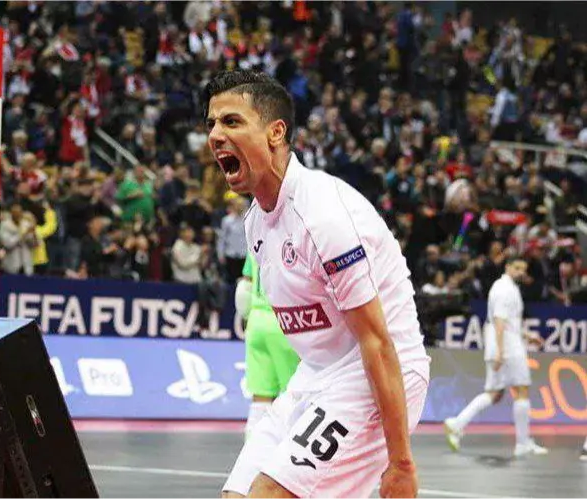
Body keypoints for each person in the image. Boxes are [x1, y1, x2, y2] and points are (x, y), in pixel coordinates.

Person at [205, 69, 429, 499]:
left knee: (271, 495)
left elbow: (377, 342)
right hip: (314, 375)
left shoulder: (323, 216)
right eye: (211, 123)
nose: (215, 135)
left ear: (275, 133)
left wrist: (401, 463)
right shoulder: (256, 222)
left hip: (375, 372)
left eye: (231, 121)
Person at [444, 257, 548, 457]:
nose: (521, 272)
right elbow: (499, 321)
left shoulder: (509, 288)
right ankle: (523, 443)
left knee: (495, 393)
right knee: (522, 388)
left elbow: (508, 322)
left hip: (504, 344)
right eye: (517, 267)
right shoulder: (503, 289)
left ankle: (456, 424)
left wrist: (527, 335)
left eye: (524, 269)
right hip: (507, 347)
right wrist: (501, 351)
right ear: (507, 267)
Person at [236, 254, 300, 438]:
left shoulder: (254, 242)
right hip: (285, 321)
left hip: (256, 322)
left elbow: (244, 288)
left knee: (260, 398)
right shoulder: (293, 242)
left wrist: (247, 316)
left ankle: (251, 450)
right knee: (293, 395)